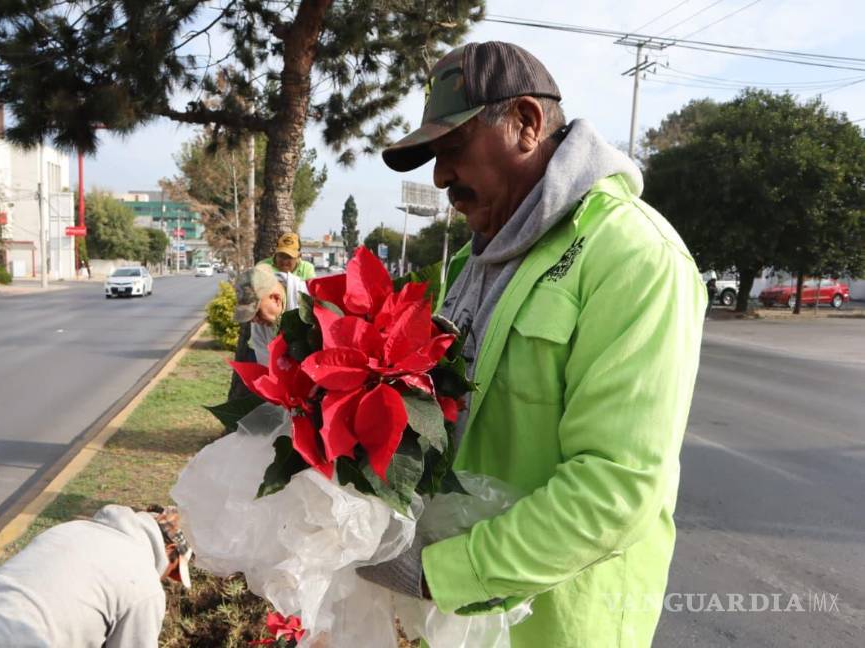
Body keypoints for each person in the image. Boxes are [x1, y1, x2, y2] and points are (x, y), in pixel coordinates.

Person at [357, 41, 705, 647]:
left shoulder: (632, 255)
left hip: (555, 626)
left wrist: (437, 574)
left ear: (525, 122)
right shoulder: (475, 263)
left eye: (454, 147)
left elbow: (616, 488)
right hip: (460, 622)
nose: (440, 177)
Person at [0, 505, 192, 648]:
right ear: (170, 549)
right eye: (172, 572)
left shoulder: (71, 530)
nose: (166, 579)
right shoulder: (143, 584)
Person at [233, 263, 307, 366]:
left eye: (257, 312)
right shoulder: (258, 325)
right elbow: (266, 365)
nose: (254, 320)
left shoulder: (308, 298)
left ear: (276, 299)